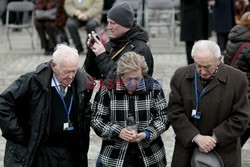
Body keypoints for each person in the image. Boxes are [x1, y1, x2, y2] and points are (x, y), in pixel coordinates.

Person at [0, 44, 92, 167]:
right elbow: (4, 103)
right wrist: (18, 133)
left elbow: (86, 111)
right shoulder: (33, 81)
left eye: (74, 71)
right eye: (66, 72)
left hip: (70, 152)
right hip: (42, 151)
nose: (71, 76)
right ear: (54, 66)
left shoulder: (82, 84)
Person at [168, 40, 250, 167]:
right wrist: (196, 137)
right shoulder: (180, 76)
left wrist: (214, 138)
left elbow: (241, 117)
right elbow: (174, 112)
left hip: (224, 150)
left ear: (219, 60)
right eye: (198, 66)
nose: (203, 71)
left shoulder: (237, 79)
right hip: (187, 148)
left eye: (207, 66)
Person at [91, 51, 169, 167]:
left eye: (137, 78)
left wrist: (147, 133)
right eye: (128, 79)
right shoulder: (107, 88)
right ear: (120, 75)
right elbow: (96, 119)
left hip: (150, 156)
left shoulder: (154, 86)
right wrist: (118, 132)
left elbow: (164, 117)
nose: (133, 83)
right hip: (115, 157)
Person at [83, 2, 154, 80]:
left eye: (112, 23)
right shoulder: (114, 42)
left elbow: (122, 81)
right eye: (108, 22)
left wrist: (102, 56)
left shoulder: (140, 49)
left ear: (124, 24)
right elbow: (94, 75)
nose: (109, 27)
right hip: (108, 91)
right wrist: (93, 51)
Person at [224, 12, 250, 147]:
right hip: (247, 89)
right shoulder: (248, 45)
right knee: (246, 124)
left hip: (233, 86)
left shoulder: (234, 37)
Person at [180, 0, 210, 64]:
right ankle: (191, 65)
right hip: (189, 10)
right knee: (190, 40)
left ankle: (202, 63)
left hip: (201, 11)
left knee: (202, 40)